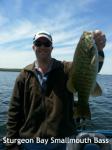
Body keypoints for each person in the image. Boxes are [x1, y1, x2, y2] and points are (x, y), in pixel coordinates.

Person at [6, 30, 106, 150]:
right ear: (33, 47)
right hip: (31, 141)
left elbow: (88, 68)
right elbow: (14, 111)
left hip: (64, 140)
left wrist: (99, 50)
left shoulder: (66, 69)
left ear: (52, 48)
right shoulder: (24, 75)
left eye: (46, 43)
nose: (42, 46)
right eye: (38, 43)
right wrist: (11, 143)